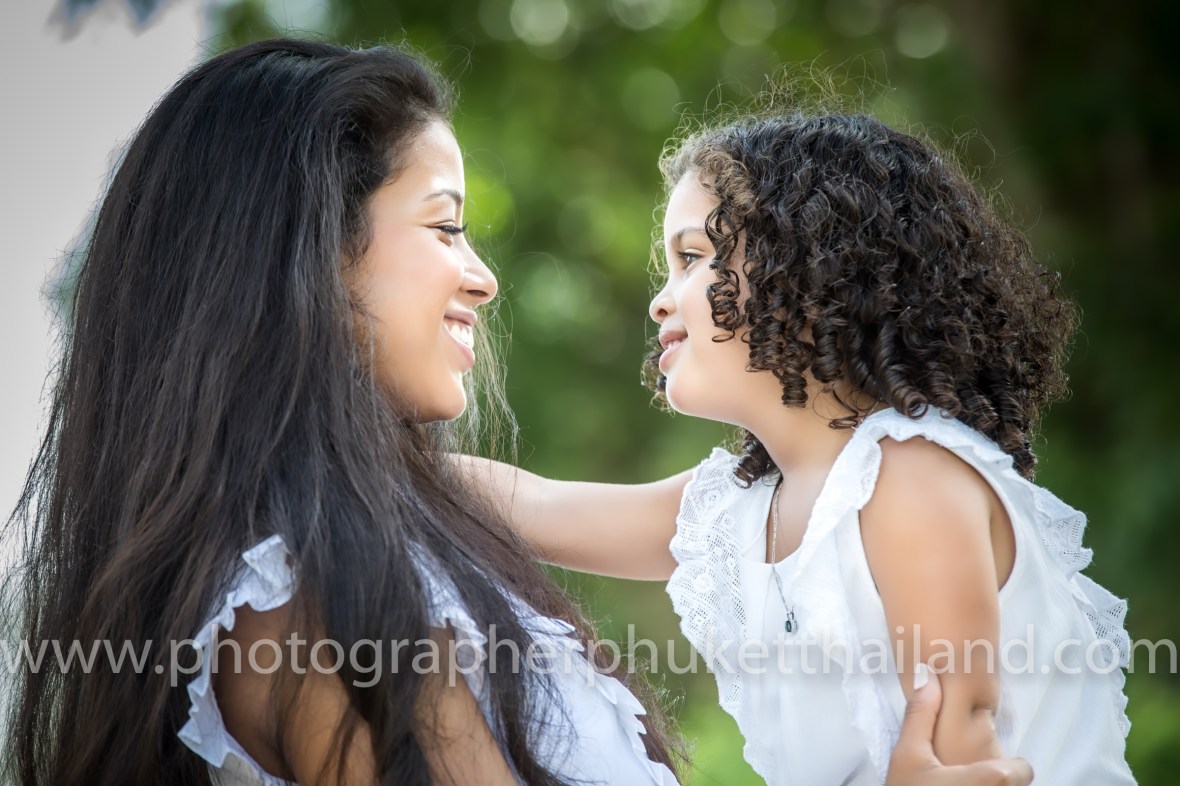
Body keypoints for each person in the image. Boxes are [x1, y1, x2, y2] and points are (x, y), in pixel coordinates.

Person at [1, 37, 1032, 786]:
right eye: (445, 227)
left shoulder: (901, 480)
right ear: (304, 251)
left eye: (696, 258)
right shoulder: (312, 600)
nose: (482, 278)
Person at [472, 112, 1133, 784]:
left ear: (814, 273)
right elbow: (539, 508)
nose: (660, 301)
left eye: (694, 258)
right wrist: (368, 435)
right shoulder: (740, 508)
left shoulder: (909, 477)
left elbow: (969, 761)